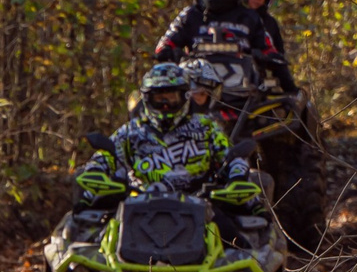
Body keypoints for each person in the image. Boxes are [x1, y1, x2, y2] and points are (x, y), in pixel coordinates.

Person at [75, 63, 266, 230]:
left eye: (171, 98)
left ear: (184, 97)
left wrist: (237, 177)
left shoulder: (206, 127)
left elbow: (232, 157)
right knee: (87, 232)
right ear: (147, 99)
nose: (165, 105)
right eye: (159, 98)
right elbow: (105, 156)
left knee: (242, 242)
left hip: (201, 204)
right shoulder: (131, 131)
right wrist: (97, 172)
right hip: (136, 205)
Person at [154, 0, 292, 90]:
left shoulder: (250, 17)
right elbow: (164, 45)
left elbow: (270, 50)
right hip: (196, 95)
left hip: (245, 96)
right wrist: (169, 52)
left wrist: (268, 58)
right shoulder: (190, 15)